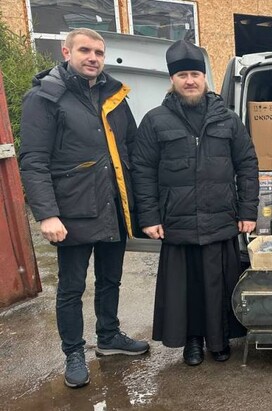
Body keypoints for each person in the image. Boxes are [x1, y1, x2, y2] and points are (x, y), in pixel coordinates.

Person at [19, 28, 149, 389]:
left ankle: (109, 336)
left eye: (99, 52)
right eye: (85, 51)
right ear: (66, 52)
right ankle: (74, 352)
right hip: (71, 211)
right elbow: (33, 160)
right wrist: (47, 213)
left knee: (111, 280)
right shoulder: (45, 97)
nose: (93, 58)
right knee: (71, 288)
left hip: (111, 205)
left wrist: (142, 207)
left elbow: (133, 151)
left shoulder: (115, 95)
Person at [131, 40, 259, 366]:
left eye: (195, 74)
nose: (190, 80)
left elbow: (247, 164)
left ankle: (218, 340)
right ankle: (192, 342)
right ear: (172, 79)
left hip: (220, 218)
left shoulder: (228, 120)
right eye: (183, 75)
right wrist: (148, 216)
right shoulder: (155, 121)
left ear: (204, 78)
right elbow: (142, 172)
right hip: (178, 220)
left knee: (218, 284)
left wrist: (247, 210)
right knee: (185, 288)